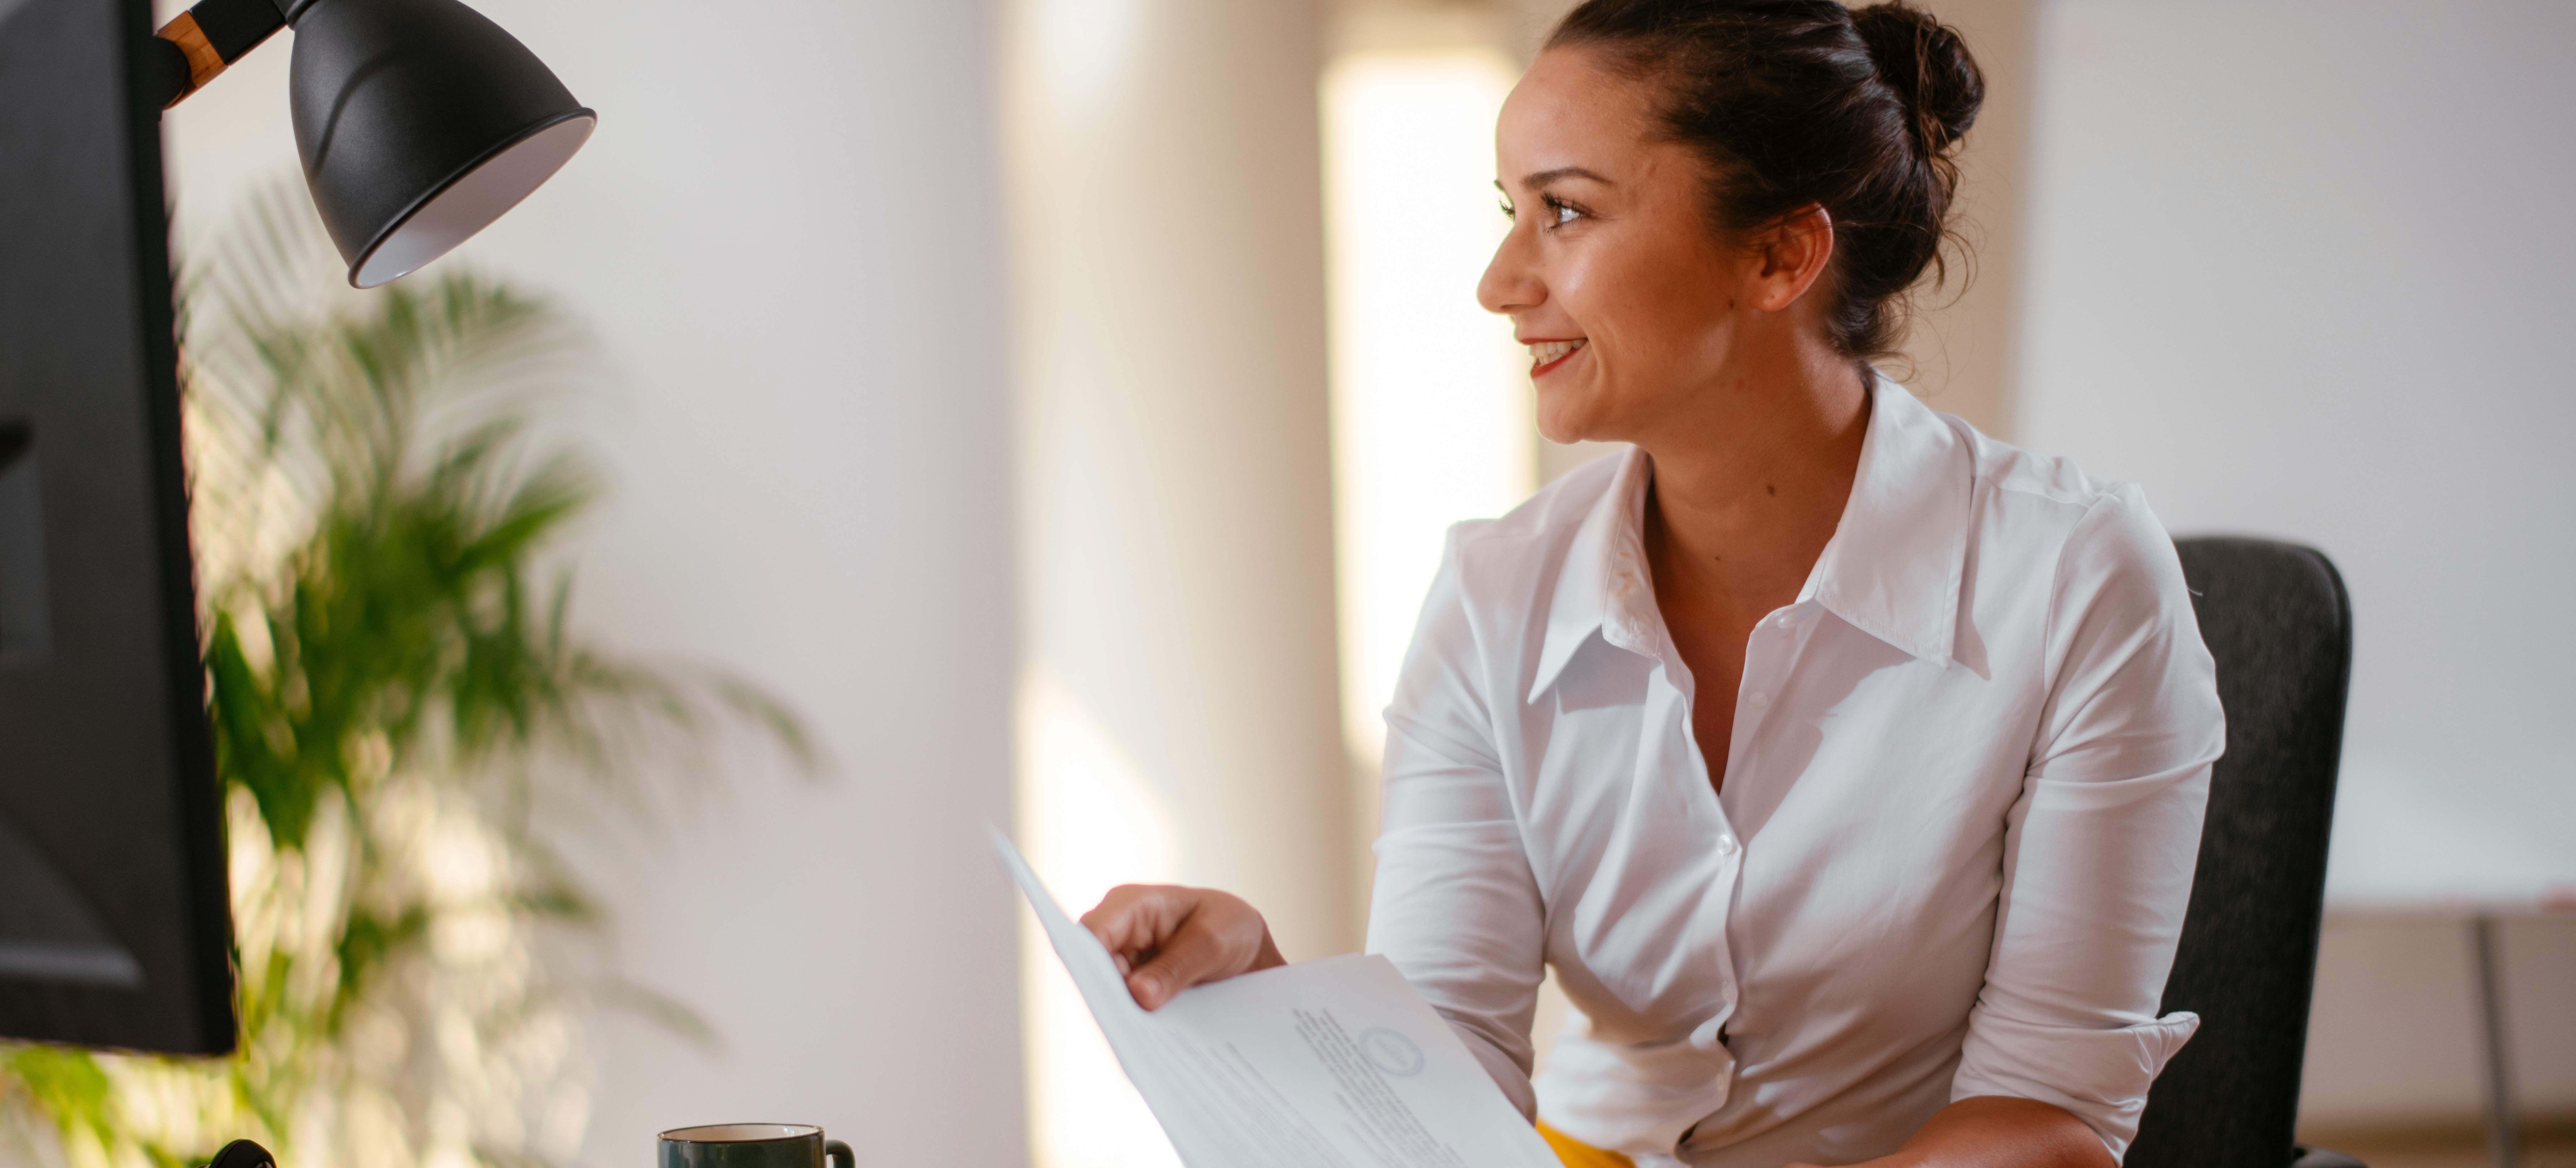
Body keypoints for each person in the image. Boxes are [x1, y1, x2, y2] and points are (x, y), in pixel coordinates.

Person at [1078, 2, 2222, 1165]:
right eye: (1510, 211)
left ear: (1780, 254)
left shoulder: (2076, 578)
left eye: (1564, 211)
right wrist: (1265, 995)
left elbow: (2044, 1130)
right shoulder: (1492, 597)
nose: (1500, 281)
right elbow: (1448, 1085)